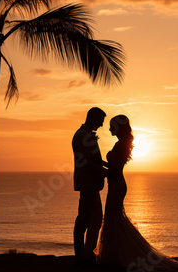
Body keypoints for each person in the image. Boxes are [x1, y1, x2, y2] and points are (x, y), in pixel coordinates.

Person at [95, 115, 178, 272]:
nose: (109, 129)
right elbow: (113, 166)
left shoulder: (121, 145)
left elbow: (113, 170)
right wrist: (99, 162)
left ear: (118, 127)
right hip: (117, 184)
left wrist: (99, 170)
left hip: (116, 185)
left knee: (113, 218)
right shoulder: (122, 144)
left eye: (111, 126)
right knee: (114, 219)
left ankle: (116, 255)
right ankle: (116, 254)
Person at [72, 107, 108, 265]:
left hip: (92, 184)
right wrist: (107, 173)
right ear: (93, 118)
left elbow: (95, 160)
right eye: (100, 121)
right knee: (84, 220)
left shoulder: (85, 135)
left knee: (95, 220)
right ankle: (81, 256)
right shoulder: (81, 136)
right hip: (87, 184)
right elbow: (88, 162)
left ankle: (87, 253)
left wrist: (109, 166)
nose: (101, 125)